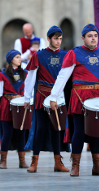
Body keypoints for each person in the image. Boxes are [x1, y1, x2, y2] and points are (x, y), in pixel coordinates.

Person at [49, 24, 99, 177]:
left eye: (95, 36)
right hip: (80, 98)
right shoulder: (74, 53)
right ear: (83, 38)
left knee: (97, 132)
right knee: (79, 131)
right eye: (90, 36)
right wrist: (53, 96)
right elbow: (63, 76)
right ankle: (75, 166)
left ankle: (97, 167)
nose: (93, 38)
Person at [24, 25, 70, 173]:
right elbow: (30, 77)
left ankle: (58, 162)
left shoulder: (65, 55)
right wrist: (26, 98)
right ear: (48, 39)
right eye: (56, 38)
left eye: (60, 39)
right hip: (41, 96)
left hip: (58, 98)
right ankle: (34, 161)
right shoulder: (39, 55)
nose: (58, 41)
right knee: (40, 128)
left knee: (57, 129)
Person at [0, 49, 29, 169]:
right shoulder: (2, 75)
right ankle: (3, 160)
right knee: (6, 133)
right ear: (11, 59)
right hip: (6, 106)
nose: (19, 59)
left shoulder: (25, 74)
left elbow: (29, 90)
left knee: (21, 133)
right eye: (17, 57)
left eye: (20, 56)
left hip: (21, 106)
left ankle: (22, 161)